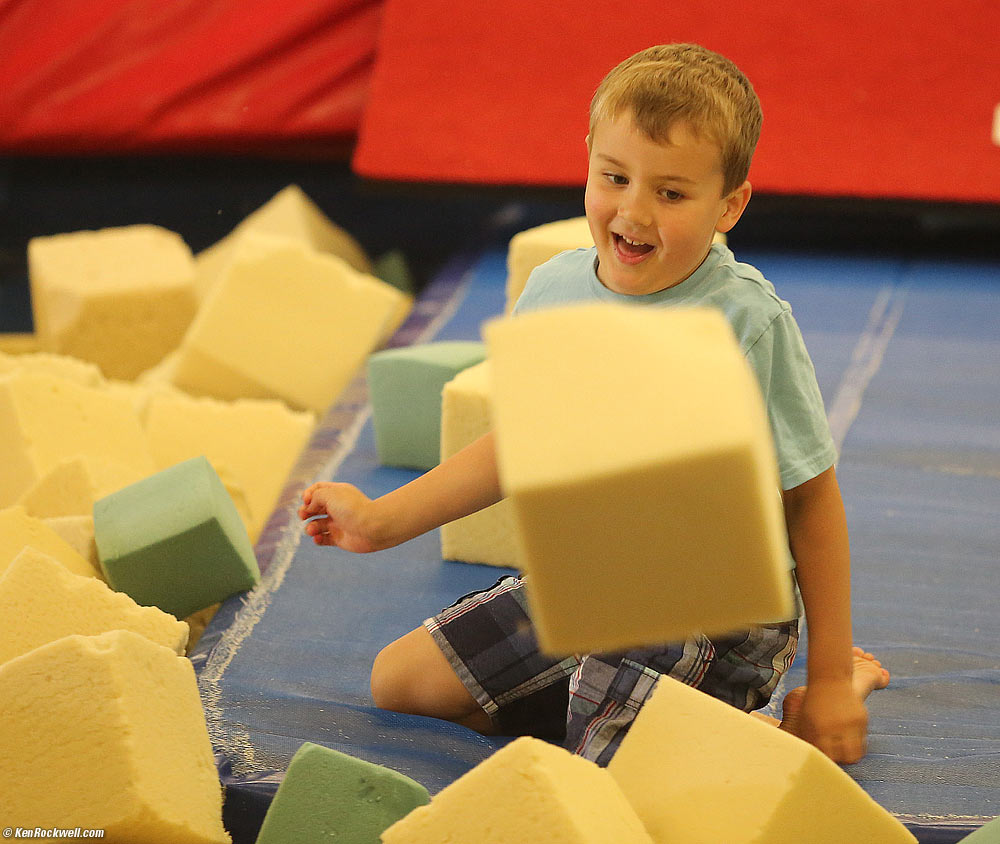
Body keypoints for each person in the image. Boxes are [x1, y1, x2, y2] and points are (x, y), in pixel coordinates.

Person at [299, 43, 888, 765]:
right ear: (588, 163)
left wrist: (826, 676)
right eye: (615, 177)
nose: (633, 212)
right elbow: (524, 440)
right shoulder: (554, 290)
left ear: (728, 205)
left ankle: (775, 725)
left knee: (609, 764)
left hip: (716, 607)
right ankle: (609, 702)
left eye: (671, 194)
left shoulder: (745, 322)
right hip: (595, 575)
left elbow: (812, 500)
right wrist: (385, 521)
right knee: (403, 682)